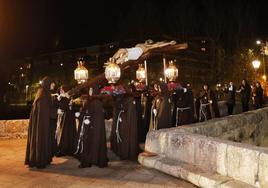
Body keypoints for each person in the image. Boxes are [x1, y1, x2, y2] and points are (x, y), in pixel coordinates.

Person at [25, 76, 56, 168]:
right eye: (52, 83)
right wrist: (56, 112)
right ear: (48, 84)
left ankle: (43, 158)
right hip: (42, 124)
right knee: (41, 139)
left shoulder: (43, 93)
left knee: (42, 139)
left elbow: (47, 108)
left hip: (42, 122)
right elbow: (45, 111)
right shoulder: (43, 95)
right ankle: (40, 160)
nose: (53, 85)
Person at [76, 86, 108, 168]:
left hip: (91, 127)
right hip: (97, 128)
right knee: (98, 143)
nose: (89, 92)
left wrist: (79, 115)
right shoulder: (98, 102)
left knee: (88, 144)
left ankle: (87, 162)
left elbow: (87, 114)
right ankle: (99, 161)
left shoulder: (91, 102)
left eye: (91, 90)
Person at [110, 86, 139, 161]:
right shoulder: (121, 99)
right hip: (122, 121)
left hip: (126, 122)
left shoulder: (131, 100)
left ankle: (127, 152)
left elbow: (130, 114)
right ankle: (120, 150)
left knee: (126, 136)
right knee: (121, 135)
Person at [108, 40, 177, 65]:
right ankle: (112, 59)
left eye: (150, 43)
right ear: (146, 41)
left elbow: (159, 44)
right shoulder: (141, 44)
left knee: (126, 55)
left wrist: (169, 43)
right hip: (133, 49)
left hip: (138, 52)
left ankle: (116, 63)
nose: (148, 43)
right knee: (121, 50)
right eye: (148, 41)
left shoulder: (148, 47)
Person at [55, 86, 77, 156]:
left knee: (68, 133)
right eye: (60, 89)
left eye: (62, 89)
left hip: (68, 118)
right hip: (62, 118)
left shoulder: (68, 97)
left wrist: (67, 99)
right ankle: (62, 149)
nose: (61, 91)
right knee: (62, 134)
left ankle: (68, 149)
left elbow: (69, 107)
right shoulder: (60, 97)